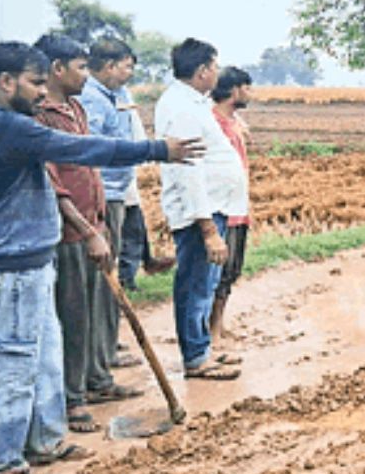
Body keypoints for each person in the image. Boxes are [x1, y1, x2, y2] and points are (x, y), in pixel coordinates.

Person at [0, 41, 203, 474]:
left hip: (32, 258)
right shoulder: (4, 125)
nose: (41, 94)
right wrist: (158, 150)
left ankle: (46, 442)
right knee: (13, 361)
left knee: (46, 355)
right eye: (33, 84)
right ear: (6, 82)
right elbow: (84, 149)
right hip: (12, 266)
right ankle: (2, 462)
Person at [32, 34, 142, 436]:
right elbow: (53, 181)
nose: (86, 74)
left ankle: (94, 380)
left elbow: (92, 161)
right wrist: (85, 226)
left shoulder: (76, 107)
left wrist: (99, 221)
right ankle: (72, 397)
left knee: (95, 307)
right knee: (73, 314)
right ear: (57, 70)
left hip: (93, 221)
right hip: (69, 232)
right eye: (80, 67)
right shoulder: (40, 115)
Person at [155, 39, 244, 380]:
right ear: (204, 70)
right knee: (195, 283)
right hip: (199, 214)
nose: (217, 73)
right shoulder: (181, 107)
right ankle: (195, 357)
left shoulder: (192, 103)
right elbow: (188, 169)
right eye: (215, 67)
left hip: (212, 208)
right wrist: (207, 229)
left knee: (204, 283)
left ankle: (202, 349)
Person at [77, 38, 140, 371]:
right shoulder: (91, 99)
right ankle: (98, 360)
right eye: (126, 66)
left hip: (118, 192)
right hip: (102, 197)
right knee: (102, 281)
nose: (129, 73)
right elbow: (92, 155)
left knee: (108, 278)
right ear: (111, 65)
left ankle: (107, 349)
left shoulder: (119, 96)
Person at [209, 67, 253, 345]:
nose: (250, 94)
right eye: (247, 88)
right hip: (223, 209)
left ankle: (219, 324)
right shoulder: (213, 123)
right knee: (219, 274)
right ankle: (211, 331)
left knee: (232, 271)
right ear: (235, 90)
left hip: (238, 207)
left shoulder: (233, 121)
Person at [118, 102, 175, 291]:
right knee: (129, 228)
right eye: (124, 68)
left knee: (135, 223)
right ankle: (127, 277)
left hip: (125, 172)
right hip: (114, 175)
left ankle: (143, 263)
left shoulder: (122, 94)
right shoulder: (101, 98)